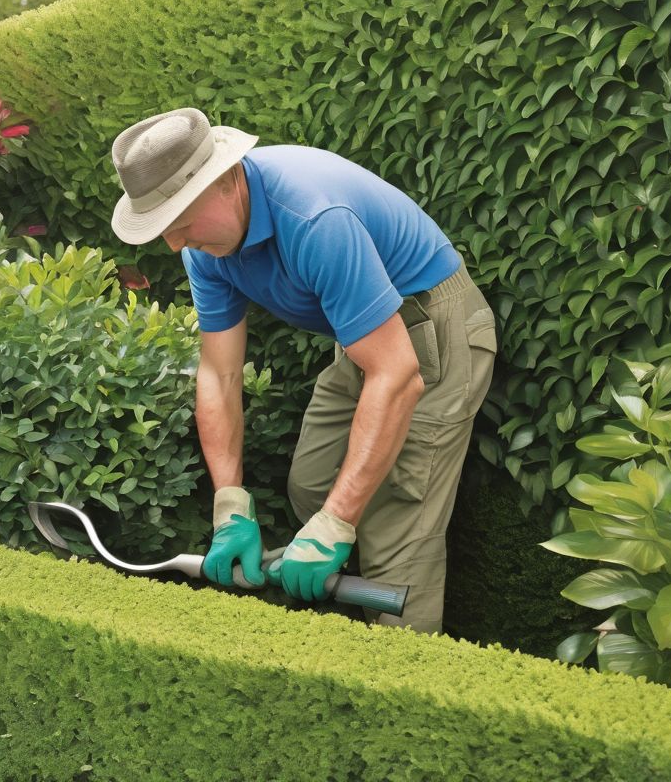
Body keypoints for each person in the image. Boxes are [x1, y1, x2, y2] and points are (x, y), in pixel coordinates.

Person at [109, 107, 497, 634]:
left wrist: (338, 525)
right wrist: (229, 505)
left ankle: (403, 685)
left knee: (397, 528)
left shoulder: (315, 216)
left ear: (227, 181)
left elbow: (398, 373)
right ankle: (354, 600)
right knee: (313, 486)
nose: (175, 244)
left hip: (434, 328)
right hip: (364, 336)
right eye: (162, 229)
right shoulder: (205, 248)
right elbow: (219, 375)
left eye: (180, 222)